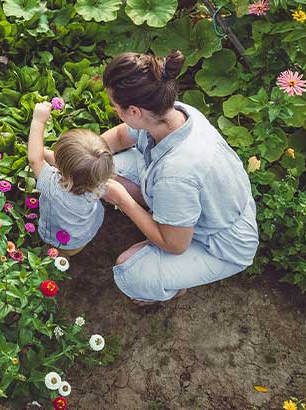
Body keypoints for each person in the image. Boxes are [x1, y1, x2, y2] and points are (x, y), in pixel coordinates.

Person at [100, 50, 258, 304]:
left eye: (115, 106)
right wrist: (86, 153)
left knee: (130, 272)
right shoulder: (173, 113)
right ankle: (164, 223)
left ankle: (174, 286)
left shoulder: (177, 173)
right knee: (104, 169)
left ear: (135, 112)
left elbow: (174, 244)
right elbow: (119, 137)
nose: (114, 110)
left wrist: (122, 199)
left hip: (221, 244)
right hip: (205, 201)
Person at [28, 101, 115, 255]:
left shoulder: (53, 187)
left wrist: (38, 120)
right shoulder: (100, 180)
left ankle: (60, 258)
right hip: (85, 232)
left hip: (60, 238)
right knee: (73, 248)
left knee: (56, 253)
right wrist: (46, 154)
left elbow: (35, 160)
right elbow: (75, 170)